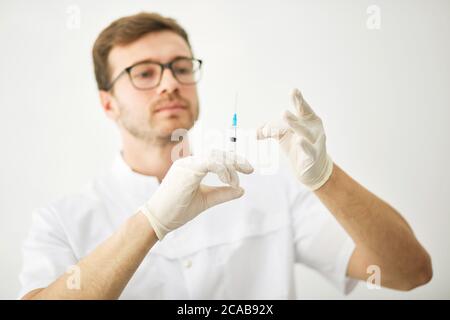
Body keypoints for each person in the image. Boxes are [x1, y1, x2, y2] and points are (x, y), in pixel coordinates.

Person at [19, 12, 432, 299]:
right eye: (143, 73)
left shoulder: (267, 190)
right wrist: (153, 221)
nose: (169, 84)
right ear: (107, 103)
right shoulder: (62, 223)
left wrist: (325, 176)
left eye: (181, 67)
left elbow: (410, 272)